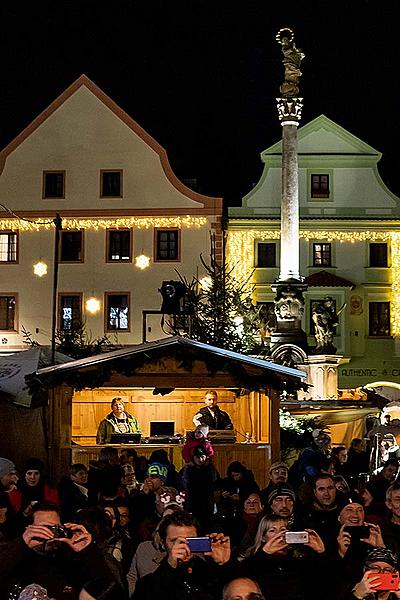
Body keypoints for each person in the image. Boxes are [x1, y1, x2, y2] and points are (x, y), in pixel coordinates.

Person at [0, 501, 124, 599]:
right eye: (42, 528)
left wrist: (89, 551)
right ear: (29, 528)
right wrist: (21, 545)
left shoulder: (71, 559)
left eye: (55, 528)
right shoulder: (13, 553)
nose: (49, 534)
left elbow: (111, 593)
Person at [132, 510, 232, 600]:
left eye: (189, 541)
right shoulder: (150, 582)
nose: (183, 546)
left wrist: (225, 564)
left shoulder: (211, 576)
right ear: (163, 543)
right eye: (175, 541)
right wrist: (170, 566)